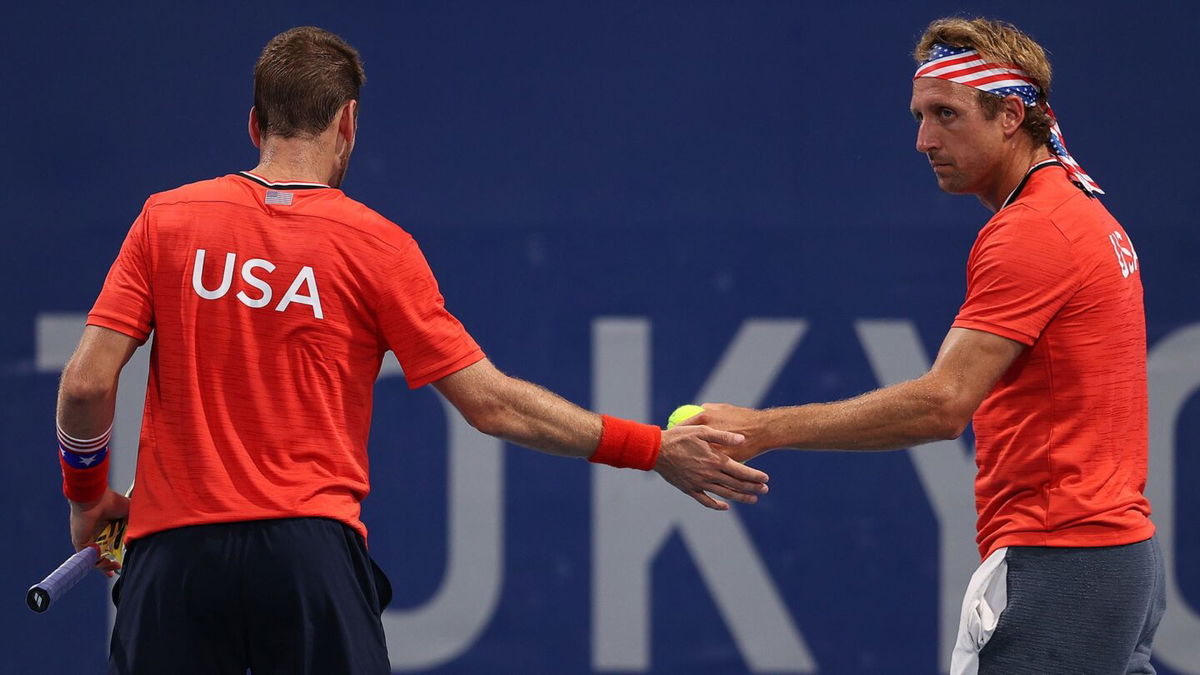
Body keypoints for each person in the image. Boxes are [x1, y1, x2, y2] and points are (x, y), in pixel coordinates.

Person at [55, 26, 769, 675]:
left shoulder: (167, 220)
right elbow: (491, 405)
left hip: (173, 555)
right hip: (309, 556)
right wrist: (652, 448)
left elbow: (86, 385)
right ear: (348, 124)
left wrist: (88, 498)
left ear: (254, 124)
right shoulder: (377, 245)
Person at [688, 17, 1164, 674]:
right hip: (1115, 561)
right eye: (919, 115)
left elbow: (942, 405)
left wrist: (762, 427)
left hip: (1063, 563)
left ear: (1010, 115)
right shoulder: (1078, 211)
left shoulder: (1032, 231)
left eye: (946, 114)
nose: (922, 139)